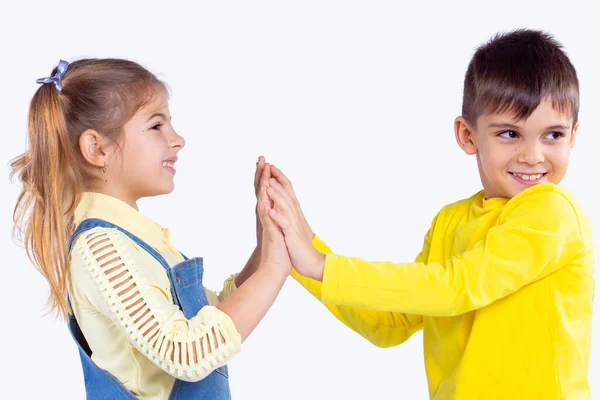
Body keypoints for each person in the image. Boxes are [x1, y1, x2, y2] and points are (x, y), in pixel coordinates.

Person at [264, 29, 594, 399]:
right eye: (509, 134)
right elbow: (388, 323)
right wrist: (300, 248)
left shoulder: (552, 212)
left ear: (573, 136)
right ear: (467, 136)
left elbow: (456, 286)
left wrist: (319, 263)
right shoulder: (450, 222)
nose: (533, 155)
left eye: (553, 135)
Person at [11, 58, 291, 399]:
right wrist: (275, 269)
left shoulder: (138, 241)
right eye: (156, 126)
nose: (178, 140)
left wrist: (265, 248)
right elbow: (188, 353)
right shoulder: (101, 248)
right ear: (97, 149)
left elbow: (209, 317)